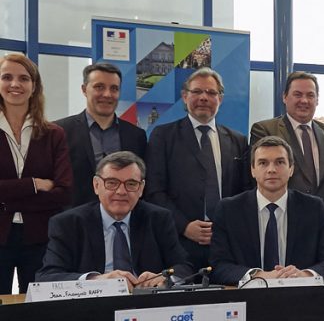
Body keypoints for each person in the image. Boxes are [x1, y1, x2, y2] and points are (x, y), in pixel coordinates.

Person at [144, 68, 249, 269]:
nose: (203, 97)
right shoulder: (163, 136)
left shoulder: (238, 140)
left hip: (227, 244)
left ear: (220, 99)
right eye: (197, 91)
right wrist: (184, 226)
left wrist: (229, 226)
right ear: (185, 97)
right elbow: (154, 191)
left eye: (211, 92)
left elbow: (244, 192)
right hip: (179, 243)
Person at [37, 151, 190, 288]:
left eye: (131, 184)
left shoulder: (158, 218)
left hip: (145, 303)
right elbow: (47, 277)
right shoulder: (68, 224)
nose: (121, 191)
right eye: (112, 183)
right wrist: (96, 280)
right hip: (93, 304)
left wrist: (164, 278)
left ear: (141, 188)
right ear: (96, 185)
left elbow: (183, 266)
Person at [209, 136, 324, 285]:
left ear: (291, 169)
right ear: (252, 170)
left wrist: (303, 275)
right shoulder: (229, 210)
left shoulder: (314, 208)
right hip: (248, 296)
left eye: (279, 162)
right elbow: (218, 266)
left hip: (300, 295)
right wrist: (258, 276)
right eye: (263, 163)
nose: (271, 170)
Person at [0, 53, 72, 292]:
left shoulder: (54, 134)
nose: (15, 84)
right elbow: (50, 192)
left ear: (34, 86)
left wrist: (5, 201)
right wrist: (34, 184)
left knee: (36, 307)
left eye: (23, 78)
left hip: (40, 238)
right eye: (7, 77)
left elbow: (63, 192)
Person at [249, 71, 324, 222]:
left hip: (323, 223)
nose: (304, 100)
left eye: (310, 95)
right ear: (284, 97)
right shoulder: (265, 130)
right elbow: (259, 176)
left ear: (317, 100)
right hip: (280, 222)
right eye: (297, 94)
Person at [55, 62, 147, 208]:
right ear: (84, 90)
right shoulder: (59, 131)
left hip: (123, 218)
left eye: (114, 88)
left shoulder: (136, 136)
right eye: (99, 87)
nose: (107, 94)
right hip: (74, 218)